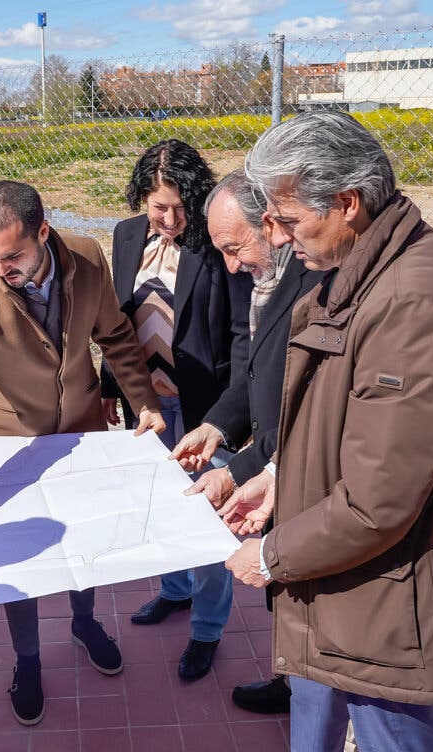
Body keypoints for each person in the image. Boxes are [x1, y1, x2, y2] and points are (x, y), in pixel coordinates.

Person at [221, 112, 433, 750]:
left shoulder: (407, 306)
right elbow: (351, 430)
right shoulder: (371, 272)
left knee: (392, 734)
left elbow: (377, 500)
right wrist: (281, 480)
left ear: (346, 203)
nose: (274, 238)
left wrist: (273, 556)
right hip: (365, 585)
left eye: (285, 219)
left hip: (395, 602)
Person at [0, 180, 165, 726]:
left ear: (43, 232)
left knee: (85, 535)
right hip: (11, 438)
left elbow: (115, 334)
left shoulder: (87, 257)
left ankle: (84, 620)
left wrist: (144, 404)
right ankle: (27, 660)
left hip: (81, 429)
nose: (1, 268)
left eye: (13, 255)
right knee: (21, 552)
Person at [169, 169, 328, 714]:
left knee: (301, 586)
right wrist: (217, 427)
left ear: (269, 223)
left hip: (305, 467)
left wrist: (255, 471)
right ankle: (292, 683)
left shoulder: (315, 279)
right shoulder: (265, 277)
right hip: (273, 457)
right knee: (285, 590)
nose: (231, 265)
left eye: (236, 248)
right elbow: (259, 375)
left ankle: (307, 692)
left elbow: (310, 401)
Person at [100, 140, 252, 682]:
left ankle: (208, 628)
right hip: (148, 406)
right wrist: (108, 386)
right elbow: (117, 323)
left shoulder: (213, 242)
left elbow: (240, 334)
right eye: (157, 206)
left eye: (179, 206)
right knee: (162, 505)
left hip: (204, 406)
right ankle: (174, 589)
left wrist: (233, 415)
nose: (169, 218)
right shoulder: (124, 236)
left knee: (208, 515)